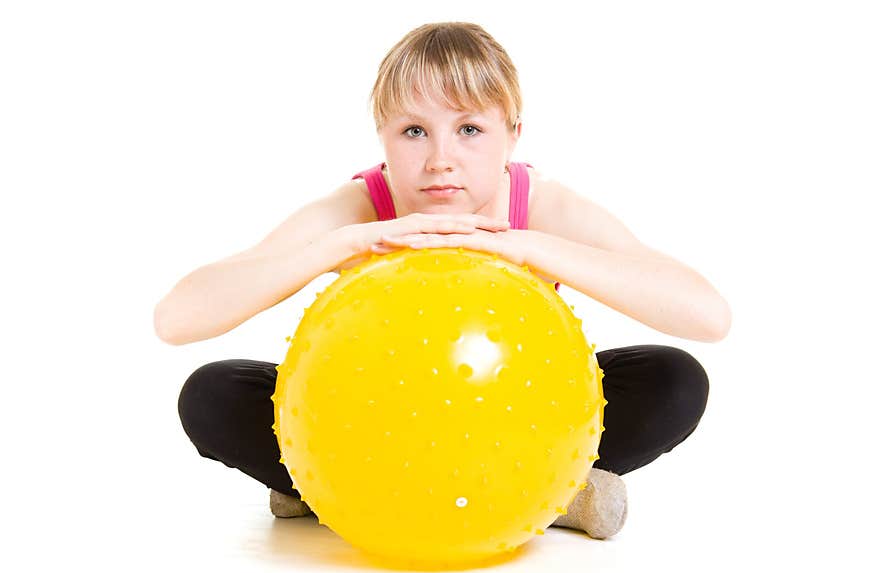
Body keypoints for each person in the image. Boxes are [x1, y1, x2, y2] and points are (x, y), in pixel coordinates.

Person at [155, 22, 730, 540]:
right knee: (213, 393)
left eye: (470, 129)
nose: (440, 159)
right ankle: (540, 501)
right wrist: (342, 245)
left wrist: (525, 246)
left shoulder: (543, 209)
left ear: (513, 134)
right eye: (413, 131)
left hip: (511, 424)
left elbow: (707, 316)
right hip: (376, 426)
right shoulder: (357, 209)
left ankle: (509, 495)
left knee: (673, 379)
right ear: (381, 134)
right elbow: (176, 320)